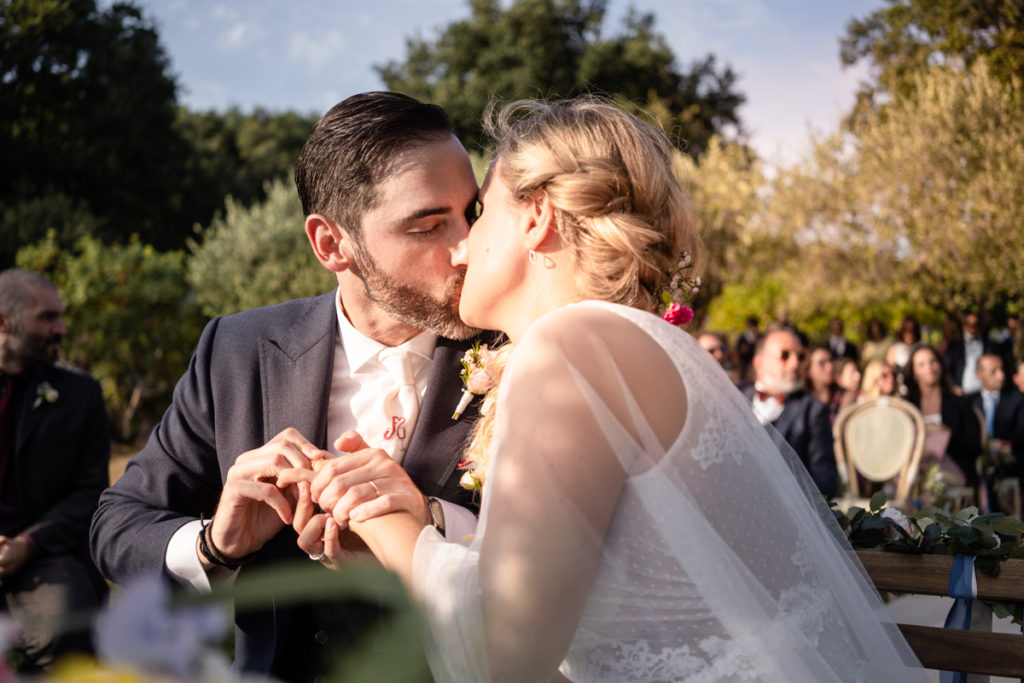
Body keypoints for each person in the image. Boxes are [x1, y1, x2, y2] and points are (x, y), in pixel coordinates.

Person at [281, 98, 924, 682]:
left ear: (536, 217)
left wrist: (388, 526)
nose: (459, 248)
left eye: (478, 212)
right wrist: (420, 542)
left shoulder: (569, 351)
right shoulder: (622, 345)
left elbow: (503, 658)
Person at [90, 92, 489, 681]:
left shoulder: (521, 352)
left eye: (472, 215)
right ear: (332, 244)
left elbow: (582, 550)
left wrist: (431, 523)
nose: (466, 250)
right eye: (430, 225)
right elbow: (117, 522)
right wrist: (214, 545)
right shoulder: (238, 349)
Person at [0, 269, 109, 672]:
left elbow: (92, 493)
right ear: (3, 322)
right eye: (46, 317)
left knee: (67, 623)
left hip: (44, 555)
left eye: (60, 316)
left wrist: (28, 543)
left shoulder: (81, 396)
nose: (60, 329)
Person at [741, 329, 839, 496]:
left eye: (800, 357)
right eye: (785, 355)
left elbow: (826, 480)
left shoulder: (813, 410)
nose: (795, 364)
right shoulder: (733, 395)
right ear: (759, 362)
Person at [904, 343, 982, 487]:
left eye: (933, 361)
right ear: (913, 372)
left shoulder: (960, 403)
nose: (929, 367)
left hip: (953, 468)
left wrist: (946, 433)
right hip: (914, 469)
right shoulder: (907, 407)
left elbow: (975, 445)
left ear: (940, 365)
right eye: (921, 364)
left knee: (931, 484)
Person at [966, 353, 1024, 513]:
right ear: (979, 374)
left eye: (1002, 370)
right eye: (994, 371)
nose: (1001, 375)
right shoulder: (968, 402)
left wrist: (1000, 446)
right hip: (976, 465)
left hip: (1009, 464)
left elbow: (1021, 433)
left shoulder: (1018, 399)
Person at [801, 345, 837, 417]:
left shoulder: (844, 396)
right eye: (821, 363)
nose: (830, 367)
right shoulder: (799, 402)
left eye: (831, 361)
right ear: (808, 370)